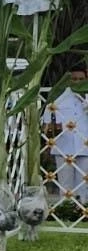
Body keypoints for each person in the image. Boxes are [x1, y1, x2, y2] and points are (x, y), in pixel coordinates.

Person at [44, 64, 88, 204]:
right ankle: (66, 210)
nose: (77, 82)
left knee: (84, 184)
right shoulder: (59, 98)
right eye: (74, 79)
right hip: (63, 147)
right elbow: (47, 122)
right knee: (65, 185)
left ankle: (82, 210)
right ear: (69, 80)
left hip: (85, 146)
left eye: (81, 79)